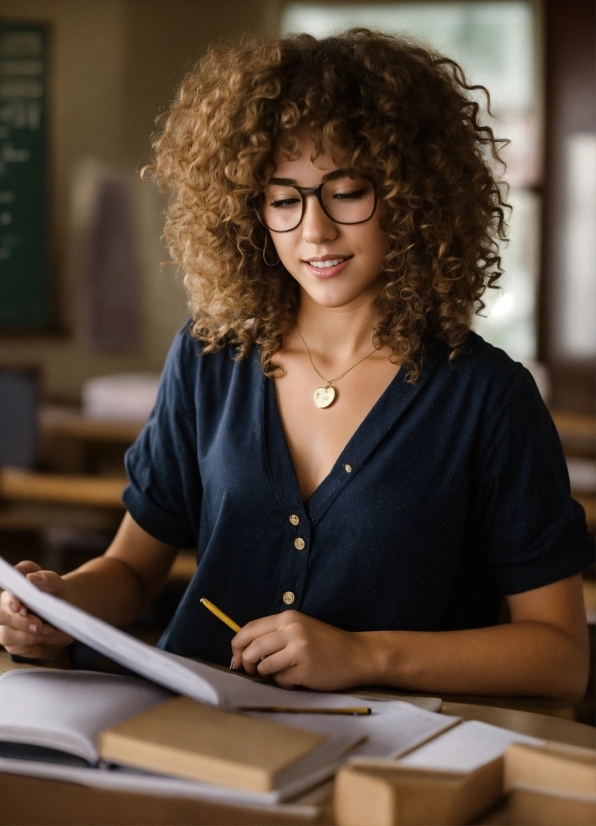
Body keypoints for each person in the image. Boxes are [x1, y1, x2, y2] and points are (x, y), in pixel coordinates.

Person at [0, 30, 592, 701]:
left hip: (380, 766)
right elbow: (132, 572)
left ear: (414, 198)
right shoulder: (208, 356)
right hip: (193, 735)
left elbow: (560, 655)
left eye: (347, 192)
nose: (314, 231)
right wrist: (56, 605)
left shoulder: (487, 398)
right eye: (284, 199)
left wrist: (365, 655)